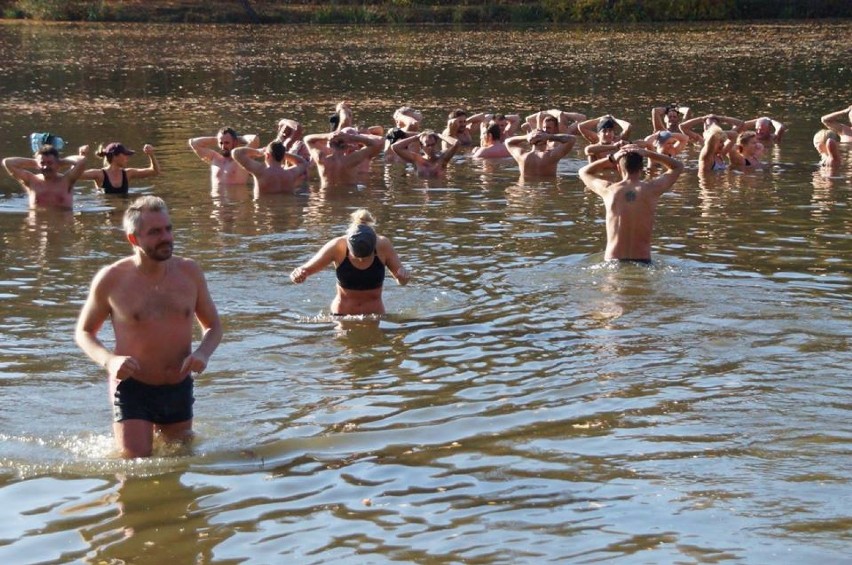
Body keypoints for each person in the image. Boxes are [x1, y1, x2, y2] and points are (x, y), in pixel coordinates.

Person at [74, 196, 222, 458]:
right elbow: (84, 332)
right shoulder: (111, 279)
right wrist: (109, 361)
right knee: (136, 465)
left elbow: (213, 326)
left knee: (178, 463)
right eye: (155, 232)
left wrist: (203, 353)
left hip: (178, 384)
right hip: (133, 385)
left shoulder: (189, 273)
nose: (166, 237)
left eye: (168, 228)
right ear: (134, 239)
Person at [290, 209, 410, 316]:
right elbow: (305, 270)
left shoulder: (383, 245)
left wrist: (403, 277)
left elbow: (402, 281)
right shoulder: (337, 246)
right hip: (341, 315)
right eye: (357, 256)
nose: (361, 260)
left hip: (374, 316)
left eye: (366, 256)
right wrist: (299, 275)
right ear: (348, 242)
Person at [578, 145, 684, 263]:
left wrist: (612, 158)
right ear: (642, 168)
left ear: (618, 167)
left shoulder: (608, 190)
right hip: (643, 261)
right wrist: (648, 153)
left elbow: (583, 172)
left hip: (613, 261)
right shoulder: (652, 189)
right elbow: (678, 166)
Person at [2, 144, 88, 209]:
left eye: (50, 163)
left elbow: (82, 161)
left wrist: (61, 162)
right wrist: (36, 162)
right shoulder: (31, 180)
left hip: (62, 228)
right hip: (36, 228)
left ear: (58, 164)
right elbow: (8, 162)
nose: (46, 167)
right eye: (43, 163)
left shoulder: (67, 180)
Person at [304, 128, 383, 188]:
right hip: (348, 196)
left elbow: (307, 139)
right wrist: (352, 137)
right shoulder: (352, 160)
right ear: (348, 145)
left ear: (330, 144)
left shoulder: (321, 159)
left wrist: (327, 136)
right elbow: (375, 144)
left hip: (326, 197)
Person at [232, 140, 309, 195]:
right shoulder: (291, 173)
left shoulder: (260, 171)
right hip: (285, 215)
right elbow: (303, 162)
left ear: (267, 155)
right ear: (283, 156)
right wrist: (282, 153)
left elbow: (236, 153)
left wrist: (260, 152)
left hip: (264, 213)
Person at [80, 142, 160, 195]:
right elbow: (75, 175)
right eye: (125, 154)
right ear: (115, 156)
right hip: (107, 212)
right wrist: (81, 155)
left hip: (124, 212)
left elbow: (155, 171)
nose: (127, 157)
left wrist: (151, 154)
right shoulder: (100, 174)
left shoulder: (128, 173)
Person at [188, 127, 259, 186]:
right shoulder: (214, 158)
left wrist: (238, 139)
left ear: (235, 142)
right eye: (221, 143)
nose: (223, 146)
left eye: (227, 143)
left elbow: (254, 139)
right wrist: (218, 139)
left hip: (237, 202)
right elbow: (193, 143)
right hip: (217, 202)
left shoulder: (242, 158)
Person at [505, 129, 576, 178]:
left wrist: (526, 137)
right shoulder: (551, 155)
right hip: (547, 191)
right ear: (546, 140)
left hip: (526, 190)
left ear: (530, 141)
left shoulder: (522, 156)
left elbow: (508, 142)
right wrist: (549, 136)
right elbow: (572, 139)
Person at [390, 130, 460, 177]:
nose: (430, 148)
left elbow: (456, 143)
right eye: (428, 145)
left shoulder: (443, 158)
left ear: (436, 144)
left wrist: (439, 135)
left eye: (433, 145)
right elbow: (395, 147)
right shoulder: (416, 159)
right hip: (422, 194)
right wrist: (417, 137)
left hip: (440, 194)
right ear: (421, 146)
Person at [679, 113, 743, 144]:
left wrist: (720, 118)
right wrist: (702, 118)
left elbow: (740, 123)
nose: (712, 126)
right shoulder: (700, 140)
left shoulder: (725, 137)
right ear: (705, 127)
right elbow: (682, 126)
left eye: (714, 124)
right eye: (709, 125)